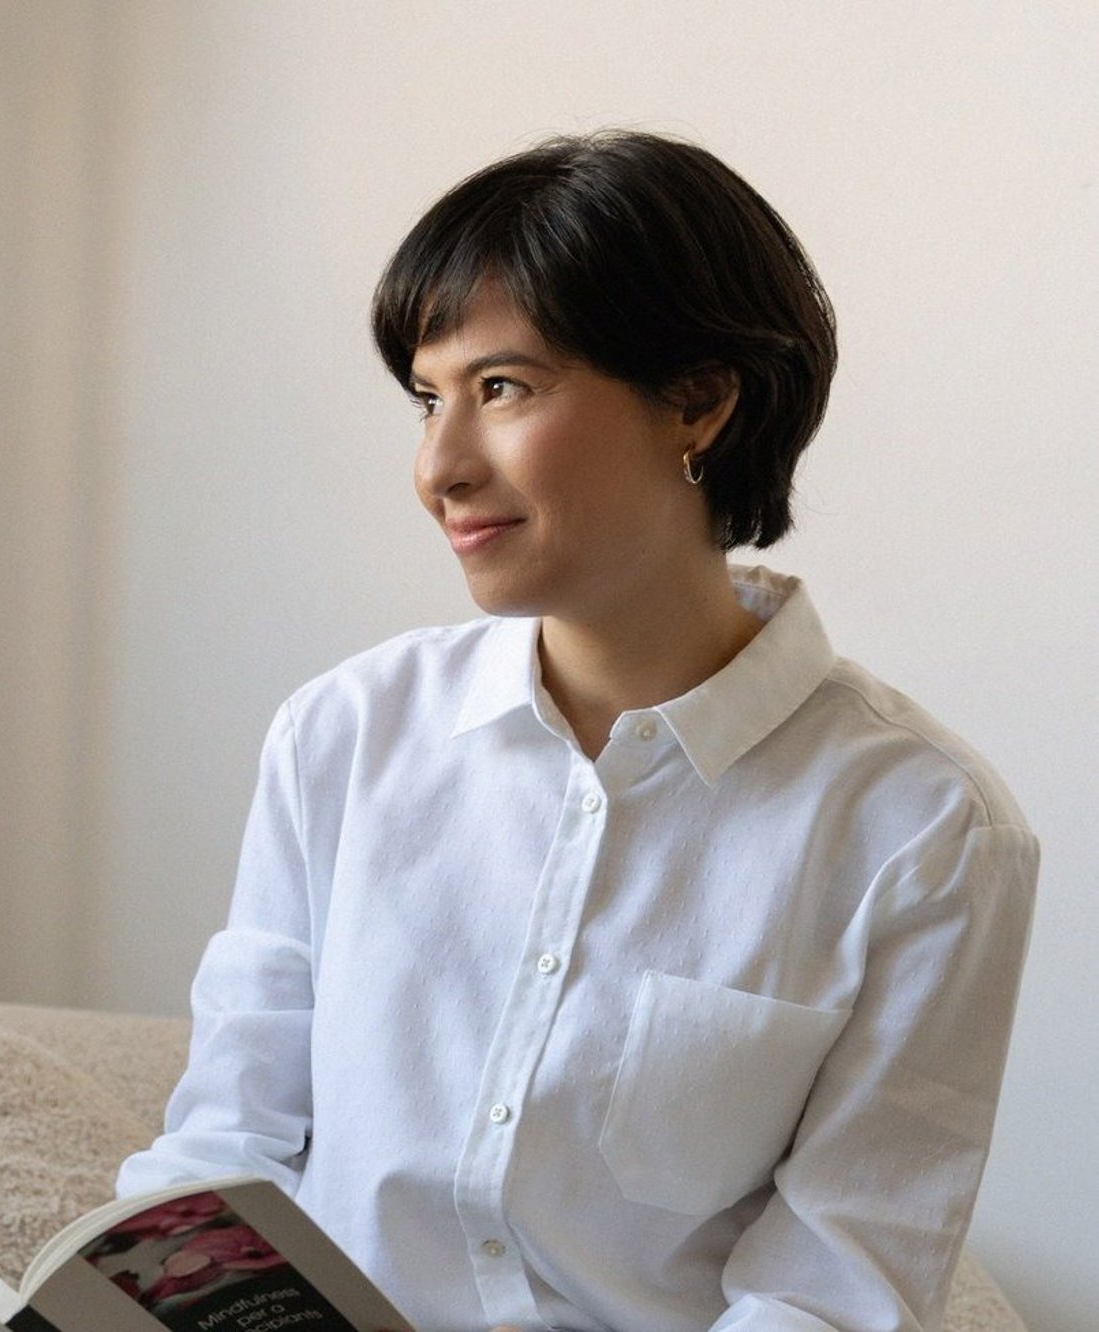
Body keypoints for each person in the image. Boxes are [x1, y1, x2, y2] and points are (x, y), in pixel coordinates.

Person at [114, 130, 1038, 1332]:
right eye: (427, 398)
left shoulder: (923, 832)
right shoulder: (342, 737)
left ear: (698, 400)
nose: (440, 466)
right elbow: (228, 1138)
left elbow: (834, 1289)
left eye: (503, 389)